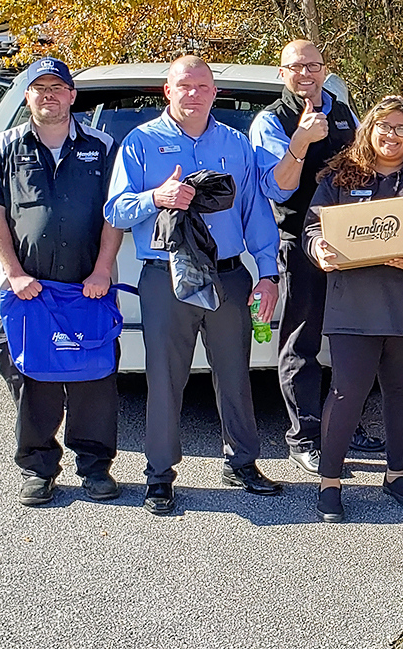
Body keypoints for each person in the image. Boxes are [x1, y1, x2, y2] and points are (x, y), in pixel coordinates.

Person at [106, 55, 283, 516]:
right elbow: (115, 211)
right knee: (165, 380)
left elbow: (256, 213)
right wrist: (155, 197)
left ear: (214, 93)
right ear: (168, 91)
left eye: (203, 86)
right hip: (166, 275)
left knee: (235, 377)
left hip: (227, 273)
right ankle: (159, 476)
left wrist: (267, 273)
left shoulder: (236, 144)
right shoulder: (141, 142)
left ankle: (242, 462)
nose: (194, 93)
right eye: (184, 85)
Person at [0, 57, 123, 506]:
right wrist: (14, 272)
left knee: (94, 378)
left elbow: (114, 213)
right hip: (31, 289)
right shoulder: (4, 146)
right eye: (39, 87)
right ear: (27, 95)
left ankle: (95, 467)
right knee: (33, 379)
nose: (49, 94)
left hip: (89, 285)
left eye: (57, 87)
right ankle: (38, 468)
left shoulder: (103, 146)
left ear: (72, 95)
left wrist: (103, 269)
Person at [303, 97, 403, 523]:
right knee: (346, 392)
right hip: (353, 307)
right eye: (383, 126)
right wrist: (319, 250)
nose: (392, 135)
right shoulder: (339, 176)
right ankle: (330, 480)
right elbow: (313, 227)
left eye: (402, 128)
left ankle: (397, 473)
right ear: (368, 129)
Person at [249, 39, 363, 476]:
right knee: (303, 341)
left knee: (351, 336)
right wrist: (299, 143)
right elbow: (276, 187)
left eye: (312, 66)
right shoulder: (270, 122)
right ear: (283, 73)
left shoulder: (342, 110)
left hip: (349, 239)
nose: (305, 74)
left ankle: (344, 425)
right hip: (300, 242)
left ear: (324, 69)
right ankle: (304, 437)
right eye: (295, 67)